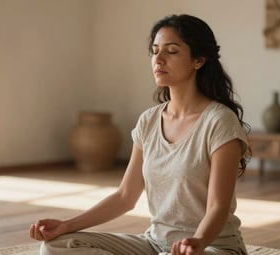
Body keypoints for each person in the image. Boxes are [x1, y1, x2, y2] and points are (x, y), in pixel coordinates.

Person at [30, 14, 251, 255]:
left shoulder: (220, 122)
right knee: (56, 246)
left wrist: (197, 241)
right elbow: (125, 196)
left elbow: (217, 206)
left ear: (198, 60)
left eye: (172, 51)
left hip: (211, 247)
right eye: (155, 51)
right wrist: (66, 225)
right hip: (155, 245)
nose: (159, 59)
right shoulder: (148, 121)